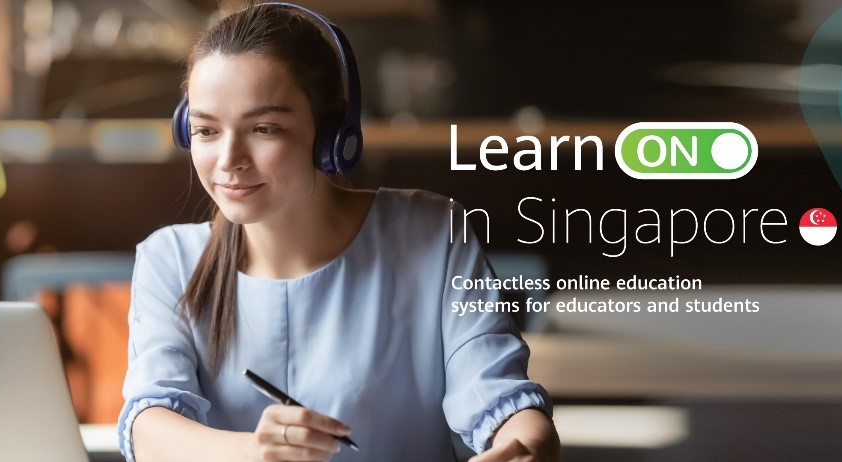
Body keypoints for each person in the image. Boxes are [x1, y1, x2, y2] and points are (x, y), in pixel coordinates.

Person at [117, 2, 558, 461]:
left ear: (332, 134)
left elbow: (500, 398)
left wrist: (528, 446)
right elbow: (149, 424)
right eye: (206, 131)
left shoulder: (430, 233)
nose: (229, 159)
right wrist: (257, 453)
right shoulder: (169, 259)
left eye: (264, 128)